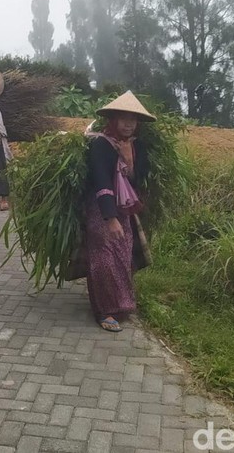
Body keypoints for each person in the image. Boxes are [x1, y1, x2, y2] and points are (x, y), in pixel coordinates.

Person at [85, 90, 154, 332]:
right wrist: (110, 217)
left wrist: (130, 161)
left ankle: (121, 303)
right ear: (113, 119)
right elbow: (101, 179)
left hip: (125, 208)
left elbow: (139, 179)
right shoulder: (100, 144)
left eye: (133, 120)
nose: (129, 124)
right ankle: (104, 310)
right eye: (124, 118)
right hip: (100, 208)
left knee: (123, 255)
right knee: (103, 258)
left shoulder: (138, 146)